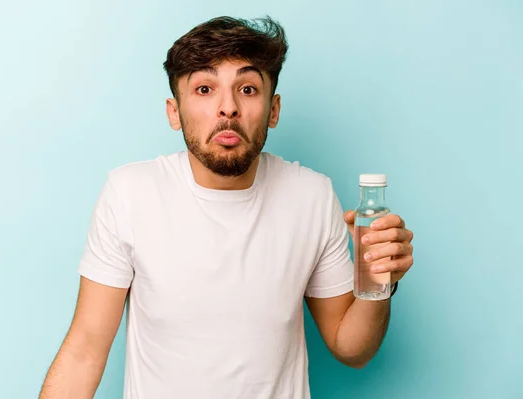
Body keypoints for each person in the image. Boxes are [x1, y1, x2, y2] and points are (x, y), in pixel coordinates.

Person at [39, 15, 415, 399]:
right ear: (174, 112)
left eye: (248, 89)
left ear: (273, 109)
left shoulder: (312, 196)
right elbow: (84, 351)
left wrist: (379, 280)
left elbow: (351, 348)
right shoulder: (130, 193)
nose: (228, 108)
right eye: (204, 88)